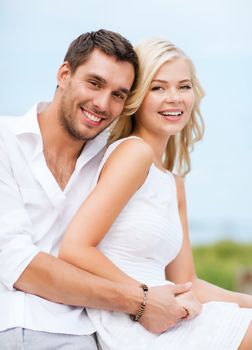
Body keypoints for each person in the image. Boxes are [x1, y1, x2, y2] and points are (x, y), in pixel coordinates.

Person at [0, 31, 192, 350]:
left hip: (90, 332)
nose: (102, 104)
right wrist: (141, 301)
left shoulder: (111, 157)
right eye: (94, 83)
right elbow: (16, 263)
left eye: (118, 94)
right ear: (64, 74)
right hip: (14, 324)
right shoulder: (4, 141)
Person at [59, 38, 252, 349]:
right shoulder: (134, 153)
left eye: (184, 86)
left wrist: (247, 300)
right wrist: (145, 297)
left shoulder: (174, 182)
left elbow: (187, 282)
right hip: (132, 318)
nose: (173, 98)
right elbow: (75, 248)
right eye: (158, 88)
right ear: (138, 97)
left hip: (169, 310)